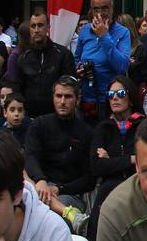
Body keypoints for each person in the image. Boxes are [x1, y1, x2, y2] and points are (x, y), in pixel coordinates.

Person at [24, 76, 95, 221]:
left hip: (69, 194)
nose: (62, 101)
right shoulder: (39, 124)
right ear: (53, 98)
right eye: (58, 96)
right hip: (38, 186)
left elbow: (89, 178)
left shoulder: (87, 132)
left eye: (68, 96)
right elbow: (30, 156)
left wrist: (60, 189)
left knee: (51, 214)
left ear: (77, 99)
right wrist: (40, 180)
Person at [87, 76, 144, 241]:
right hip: (109, 187)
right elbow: (97, 166)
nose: (115, 98)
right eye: (111, 94)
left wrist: (111, 159)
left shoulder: (143, 125)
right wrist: (131, 159)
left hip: (137, 184)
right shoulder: (103, 128)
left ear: (131, 97)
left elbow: (146, 160)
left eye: (120, 93)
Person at [74, 0, 131, 120]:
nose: (100, 13)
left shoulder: (123, 32)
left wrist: (104, 36)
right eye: (96, 9)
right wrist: (78, 70)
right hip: (87, 98)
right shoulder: (85, 30)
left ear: (111, 8)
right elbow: (76, 59)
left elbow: (122, 66)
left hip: (110, 99)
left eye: (104, 8)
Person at [10, 10, 76, 119]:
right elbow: (18, 90)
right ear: (30, 30)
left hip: (57, 118)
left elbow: (70, 88)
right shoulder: (23, 58)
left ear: (48, 28)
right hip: (30, 118)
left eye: (40, 25)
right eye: (33, 26)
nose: (36, 30)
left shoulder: (63, 55)